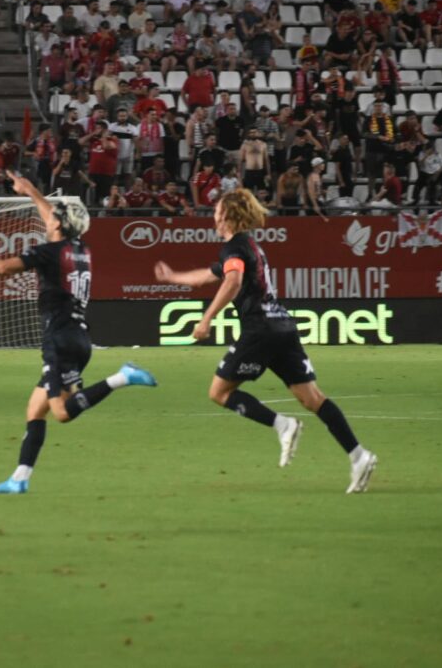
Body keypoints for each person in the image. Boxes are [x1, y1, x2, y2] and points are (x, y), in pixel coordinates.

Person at [153, 189, 378, 493]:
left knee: (219, 392)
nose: (214, 217)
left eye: (218, 211)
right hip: (282, 327)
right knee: (313, 398)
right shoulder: (249, 246)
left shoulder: (234, 248)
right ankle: (358, 455)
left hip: (259, 329)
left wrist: (206, 319)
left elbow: (232, 281)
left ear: (229, 215)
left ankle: (282, 425)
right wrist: (173, 278)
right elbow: (208, 276)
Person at [0, 171, 157, 494]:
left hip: (58, 340)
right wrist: (30, 188)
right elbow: (52, 215)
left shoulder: (47, 254)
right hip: (79, 337)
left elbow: (4, 268)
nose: (48, 220)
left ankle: (123, 377)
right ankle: (19, 478)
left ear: (58, 225)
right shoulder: (81, 250)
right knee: (36, 408)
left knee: (61, 412)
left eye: (53, 218)